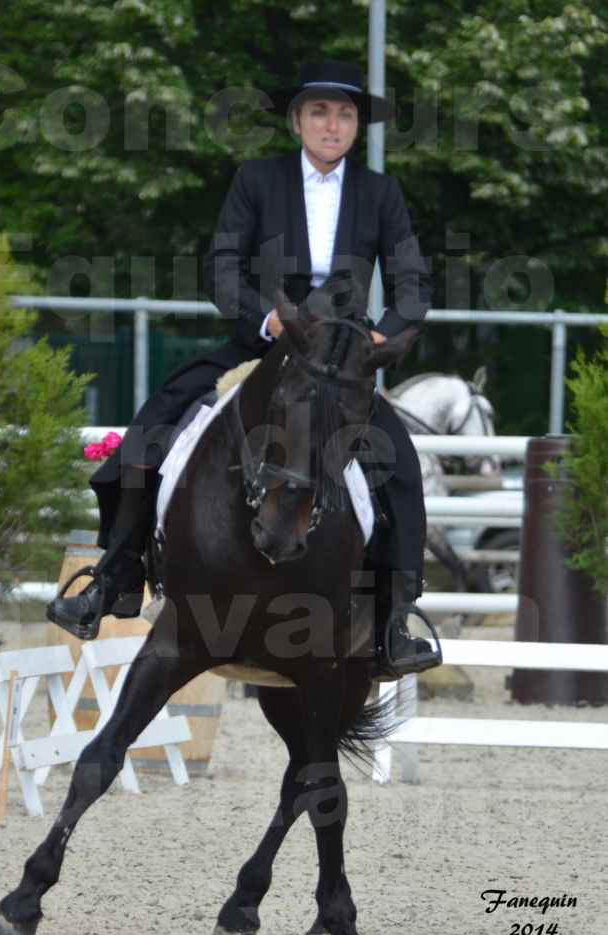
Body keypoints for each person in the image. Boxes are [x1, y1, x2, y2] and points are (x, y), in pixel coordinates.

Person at [47, 58, 440, 678]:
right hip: (265, 345)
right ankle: (114, 574)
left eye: (343, 115)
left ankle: (396, 616)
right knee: (152, 428)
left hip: (338, 359)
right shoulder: (257, 181)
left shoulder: (380, 192)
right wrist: (268, 320)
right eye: (319, 112)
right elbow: (222, 269)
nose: (331, 124)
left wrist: (382, 336)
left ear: (357, 127)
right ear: (297, 121)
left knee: (401, 464)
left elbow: (413, 279)